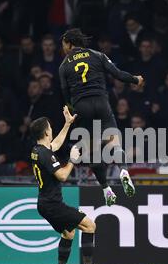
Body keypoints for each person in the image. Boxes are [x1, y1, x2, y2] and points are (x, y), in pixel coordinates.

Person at [59, 28, 144, 206]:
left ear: (69, 43)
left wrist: (73, 111)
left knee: (92, 151)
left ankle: (106, 189)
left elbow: (65, 95)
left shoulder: (64, 65)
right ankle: (123, 170)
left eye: (64, 44)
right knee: (113, 141)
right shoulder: (97, 55)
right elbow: (118, 74)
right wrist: (135, 79)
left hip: (81, 106)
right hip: (101, 102)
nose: (63, 48)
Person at [29, 109, 107, 264]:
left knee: (68, 232)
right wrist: (72, 159)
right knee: (90, 225)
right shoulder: (45, 154)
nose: (52, 129)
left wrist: (68, 124)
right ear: (47, 131)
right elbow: (63, 176)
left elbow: (54, 145)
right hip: (52, 204)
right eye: (50, 127)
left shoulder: (37, 150)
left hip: (45, 203)